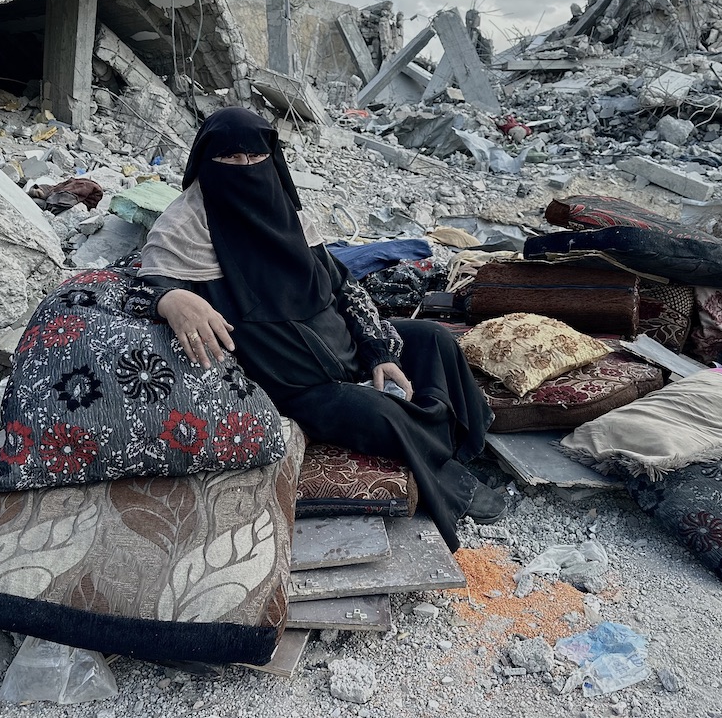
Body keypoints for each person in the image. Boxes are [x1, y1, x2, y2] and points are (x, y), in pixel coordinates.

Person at [136, 107, 505, 550]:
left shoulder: (290, 216)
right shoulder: (184, 227)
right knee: (380, 413)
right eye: (230, 159)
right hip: (293, 385)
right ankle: (451, 480)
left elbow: (343, 288)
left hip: (345, 348)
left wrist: (378, 352)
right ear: (205, 163)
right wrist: (170, 298)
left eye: (256, 157)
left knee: (435, 339)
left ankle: (463, 447)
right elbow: (135, 288)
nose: (246, 168)